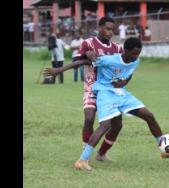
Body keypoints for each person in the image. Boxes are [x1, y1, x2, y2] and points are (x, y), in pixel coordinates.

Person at [73, 37, 169, 171]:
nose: (136, 56)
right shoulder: (110, 59)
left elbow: (129, 72)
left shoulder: (135, 60)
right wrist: (60, 70)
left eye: (138, 53)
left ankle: (164, 149)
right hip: (105, 93)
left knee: (149, 115)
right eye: (134, 53)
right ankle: (82, 160)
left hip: (121, 93)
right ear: (125, 50)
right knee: (106, 125)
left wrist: (124, 82)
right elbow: (84, 61)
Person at [44, 17, 129, 162]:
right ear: (100, 27)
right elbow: (77, 62)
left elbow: (122, 67)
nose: (110, 32)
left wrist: (122, 79)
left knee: (117, 125)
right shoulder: (88, 43)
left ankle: (102, 154)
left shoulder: (117, 48)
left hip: (109, 91)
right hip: (91, 88)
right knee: (89, 118)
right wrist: (85, 55)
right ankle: (86, 154)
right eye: (107, 29)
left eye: (112, 30)